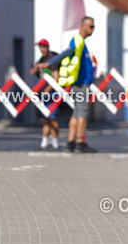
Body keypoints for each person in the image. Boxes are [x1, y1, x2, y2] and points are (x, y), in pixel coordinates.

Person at [34, 16, 97, 153]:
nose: (93, 29)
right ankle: (80, 142)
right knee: (82, 114)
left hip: (78, 83)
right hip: (81, 84)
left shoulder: (81, 42)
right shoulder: (78, 40)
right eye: (91, 26)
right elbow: (66, 52)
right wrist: (49, 63)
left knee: (76, 113)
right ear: (83, 26)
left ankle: (70, 143)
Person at [30, 39, 64, 150]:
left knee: (52, 118)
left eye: (43, 46)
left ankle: (55, 142)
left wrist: (47, 90)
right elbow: (41, 75)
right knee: (45, 119)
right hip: (44, 93)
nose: (41, 49)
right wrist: (35, 72)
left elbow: (55, 77)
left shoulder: (52, 59)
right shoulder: (42, 59)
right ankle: (44, 142)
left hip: (53, 93)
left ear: (47, 47)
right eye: (39, 47)